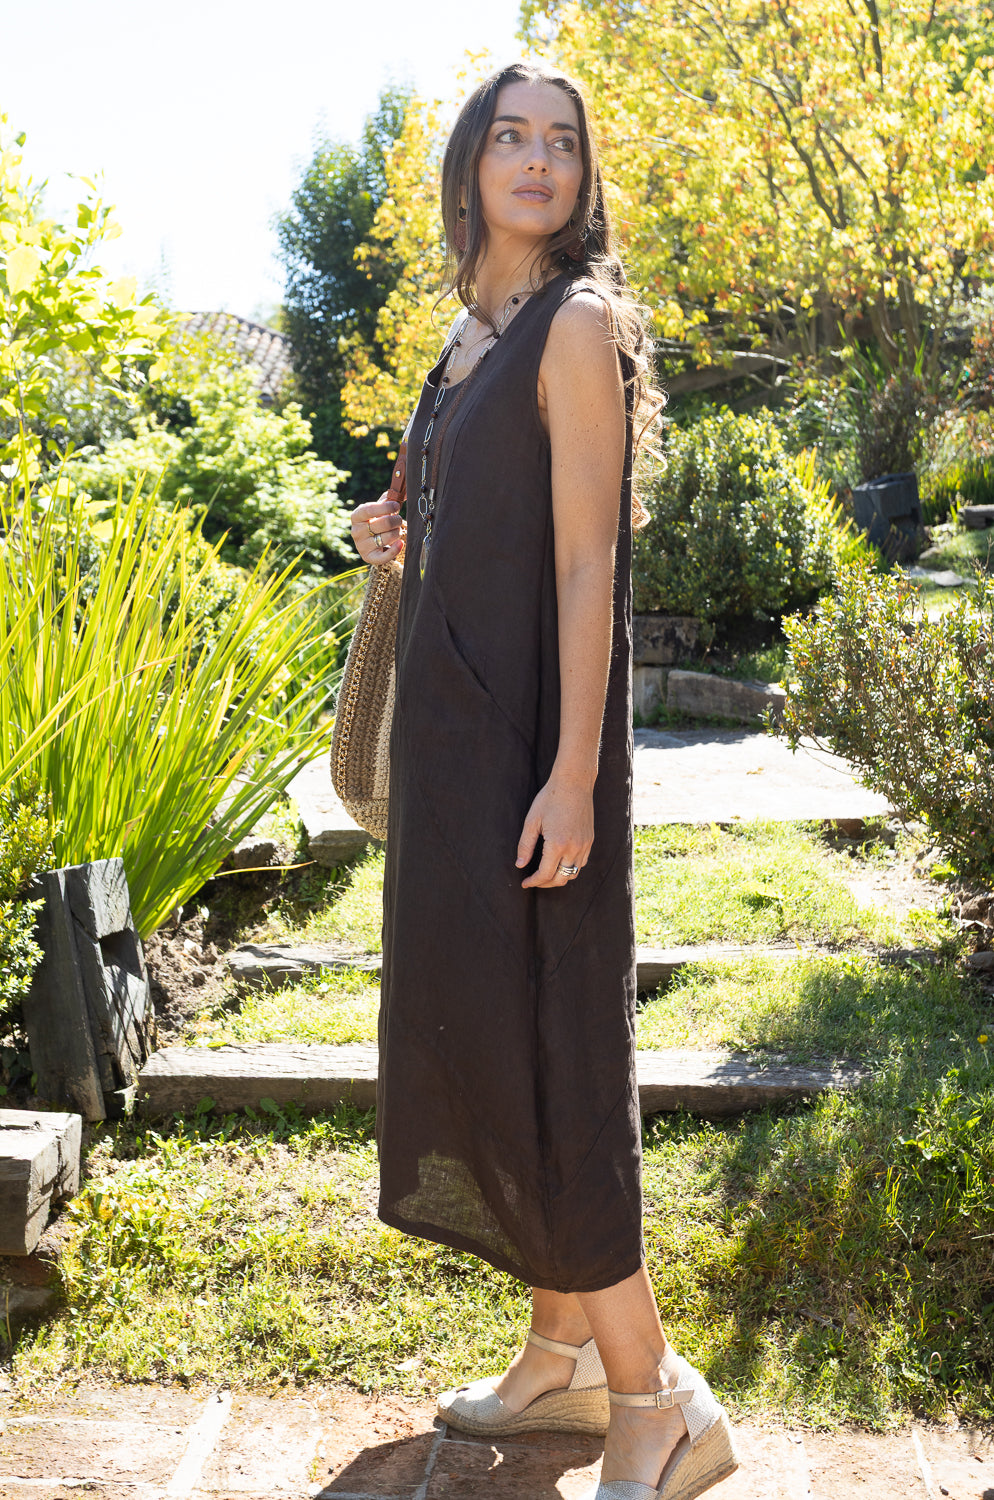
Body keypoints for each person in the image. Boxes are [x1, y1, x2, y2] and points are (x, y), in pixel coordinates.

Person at [348, 60, 739, 1500]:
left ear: (580, 178)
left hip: (530, 753)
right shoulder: (470, 339)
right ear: (470, 168)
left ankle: (655, 1400)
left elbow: (587, 565)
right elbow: (490, 525)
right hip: (455, 749)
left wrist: (574, 775)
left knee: (552, 1052)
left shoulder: (574, 325)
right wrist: (400, 533)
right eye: (509, 136)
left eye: (559, 142)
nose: (534, 159)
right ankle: (559, 1352)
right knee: (488, 1037)